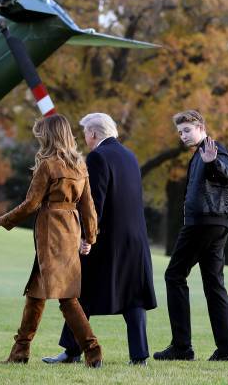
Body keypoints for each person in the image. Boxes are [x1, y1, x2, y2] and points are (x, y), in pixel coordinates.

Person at [0, 114, 103, 368]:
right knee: (36, 294)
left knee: (67, 297)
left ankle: (93, 352)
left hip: (51, 232)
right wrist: (89, 237)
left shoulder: (47, 165)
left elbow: (31, 204)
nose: (38, 139)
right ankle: (20, 353)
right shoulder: (80, 165)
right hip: (70, 232)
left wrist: (2, 220)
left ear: (49, 136)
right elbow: (88, 206)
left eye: (41, 135)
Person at [42, 113, 156, 366]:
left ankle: (71, 352)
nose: (85, 140)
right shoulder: (130, 156)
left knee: (83, 293)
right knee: (134, 297)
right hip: (135, 240)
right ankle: (139, 357)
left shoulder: (97, 157)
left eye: (85, 134)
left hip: (107, 240)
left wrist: (86, 237)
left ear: (93, 134)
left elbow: (95, 202)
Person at [154, 110, 228, 362]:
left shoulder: (212, 149)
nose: (183, 136)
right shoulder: (200, 154)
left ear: (201, 127)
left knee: (174, 275)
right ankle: (225, 352)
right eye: (180, 132)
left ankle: (181, 348)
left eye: (187, 130)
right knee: (214, 284)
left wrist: (213, 162)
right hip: (217, 224)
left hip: (203, 224)